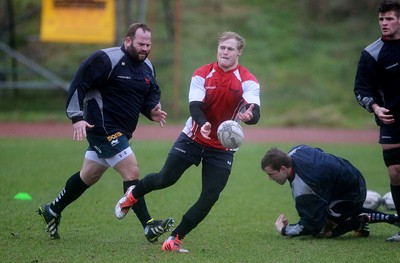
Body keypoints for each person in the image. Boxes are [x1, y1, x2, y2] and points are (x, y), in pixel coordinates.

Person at [114, 31, 261, 252]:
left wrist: (250, 117)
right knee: (166, 178)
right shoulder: (202, 73)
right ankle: (132, 195)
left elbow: (254, 111)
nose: (225, 52)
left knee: (210, 195)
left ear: (239, 51)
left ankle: (175, 238)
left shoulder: (248, 80)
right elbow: (195, 105)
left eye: (230, 49)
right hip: (193, 136)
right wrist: (202, 123)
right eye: (222, 47)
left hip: (223, 146)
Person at [36, 23, 174, 242]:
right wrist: (77, 117)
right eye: (141, 44)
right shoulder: (105, 59)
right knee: (132, 171)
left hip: (122, 131)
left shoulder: (147, 65)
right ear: (128, 40)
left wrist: (152, 110)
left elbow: (150, 91)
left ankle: (52, 209)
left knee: (88, 176)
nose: (145, 48)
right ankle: (148, 226)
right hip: (101, 127)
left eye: (148, 44)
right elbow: (79, 83)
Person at [260, 145, 399, 238]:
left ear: (283, 169)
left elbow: (310, 226)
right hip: (351, 172)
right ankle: (355, 220)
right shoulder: (296, 150)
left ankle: (362, 221)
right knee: (323, 217)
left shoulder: (304, 188)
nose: (269, 179)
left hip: (352, 192)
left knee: (322, 230)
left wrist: (284, 230)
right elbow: (318, 151)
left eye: (271, 174)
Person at [354, 0, 400, 242]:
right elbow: (361, 88)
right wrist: (375, 107)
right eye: (381, 19)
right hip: (391, 120)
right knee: (395, 172)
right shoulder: (372, 53)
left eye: (389, 18)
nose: (384, 23)